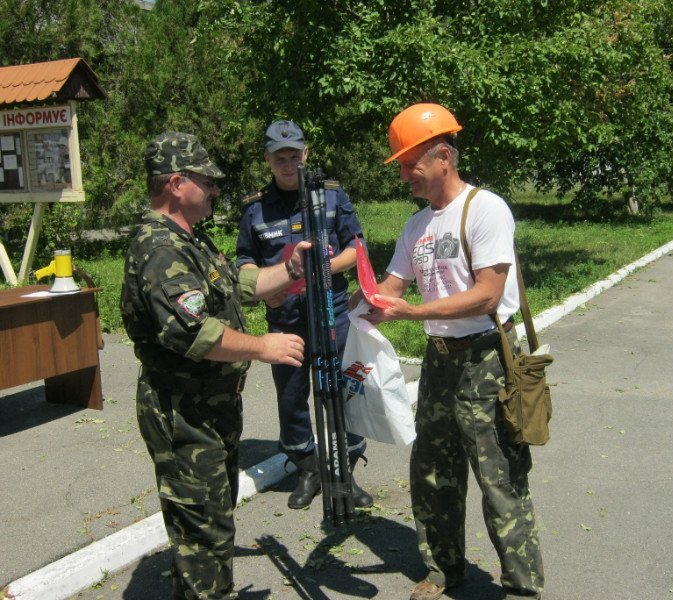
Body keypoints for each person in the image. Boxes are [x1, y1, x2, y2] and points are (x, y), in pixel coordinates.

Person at [352, 103, 545, 600]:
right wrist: (353, 301)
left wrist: (412, 314)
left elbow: (486, 293)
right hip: (440, 361)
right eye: (399, 164)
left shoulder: (485, 208)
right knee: (433, 473)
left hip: (486, 358)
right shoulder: (417, 226)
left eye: (409, 163)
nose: (403, 174)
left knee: (500, 477)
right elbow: (392, 287)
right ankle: (442, 572)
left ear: (443, 156)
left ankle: (523, 590)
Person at [120, 131, 311, 600]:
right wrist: (263, 346)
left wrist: (289, 271)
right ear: (177, 183)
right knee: (203, 529)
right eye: (208, 181)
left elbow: (237, 287)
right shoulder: (159, 247)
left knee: (211, 517)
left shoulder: (190, 240)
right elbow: (193, 333)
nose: (216, 190)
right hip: (183, 411)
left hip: (208, 409)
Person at [236, 119, 373, 510]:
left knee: (343, 392)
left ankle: (345, 472)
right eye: (280, 157)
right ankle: (308, 469)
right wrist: (269, 291)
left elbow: (356, 247)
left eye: (294, 155)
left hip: (333, 314)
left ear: (305, 154)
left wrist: (324, 271)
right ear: (268, 159)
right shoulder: (256, 208)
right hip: (286, 321)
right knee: (293, 397)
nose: (288, 163)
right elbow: (245, 261)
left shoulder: (330, 196)